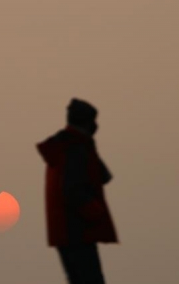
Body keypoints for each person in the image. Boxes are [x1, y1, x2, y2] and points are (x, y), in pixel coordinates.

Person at [36, 98, 118, 284]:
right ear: (88, 122)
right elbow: (71, 190)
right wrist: (95, 212)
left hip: (66, 231)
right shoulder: (74, 148)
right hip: (77, 230)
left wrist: (90, 145)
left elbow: (102, 176)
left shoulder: (70, 145)